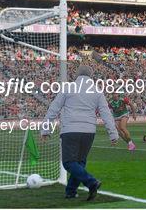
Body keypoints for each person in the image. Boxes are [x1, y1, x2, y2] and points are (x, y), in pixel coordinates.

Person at [41, 65, 119, 201]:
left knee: (68, 163)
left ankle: (91, 182)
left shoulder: (68, 87)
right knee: (80, 162)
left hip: (71, 129)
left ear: (77, 75)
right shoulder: (97, 90)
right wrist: (113, 133)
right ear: (91, 76)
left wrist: (46, 129)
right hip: (89, 131)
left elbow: (54, 108)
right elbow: (106, 113)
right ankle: (70, 191)